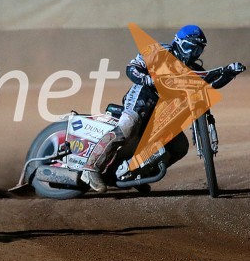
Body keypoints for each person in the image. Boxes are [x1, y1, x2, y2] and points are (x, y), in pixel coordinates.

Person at [81, 25, 245, 192]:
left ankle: (138, 173)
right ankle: (90, 168)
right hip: (145, 94)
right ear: (178, 42)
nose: (192, 54)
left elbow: (210, 84)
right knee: (129, 125)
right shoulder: (159, 51)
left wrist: (229, 73)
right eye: (189, 47)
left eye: (197, 50)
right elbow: (132, 68)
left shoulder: (194, 69)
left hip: (165, 110)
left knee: (180, 147)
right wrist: (146, 79)